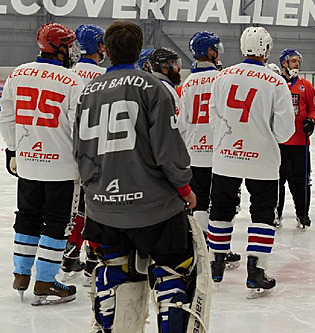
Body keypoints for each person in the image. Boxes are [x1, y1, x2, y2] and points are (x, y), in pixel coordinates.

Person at [75, 21, 210, 333]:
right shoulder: (154, 88)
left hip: (103, 207)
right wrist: (185, 189)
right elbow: (169, 152)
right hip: (156, 208)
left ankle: (108, 320)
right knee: (175, 270)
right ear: (139, 52)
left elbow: (81, 154)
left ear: (105, 51)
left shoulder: (86, 94)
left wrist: (98, 197)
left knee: (112, 268)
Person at [207, 26, 294, 298]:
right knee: (263, 212)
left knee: (220, 209)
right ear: (266, 49)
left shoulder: (222, 76)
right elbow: (284, 130)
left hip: (225, 157)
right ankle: (256, 271)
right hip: (262, 160)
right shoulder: (275, 81)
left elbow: (213, 117)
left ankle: (216, 265)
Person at [0, 22, 83, 305]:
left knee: (27, 216)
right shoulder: (73, 81)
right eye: (69, 44)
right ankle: (46, 281)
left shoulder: (18, 74)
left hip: (28, 162)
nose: (73, 50)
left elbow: (6, 117)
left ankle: (21, 274)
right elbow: (79, 127)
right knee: (57, 222)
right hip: (62, 165)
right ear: (58, 47)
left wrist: (13, 151)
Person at [179, 31, 241, 269]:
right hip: (220, 150)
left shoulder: (188, 83)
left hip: (195, 151)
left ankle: (202, 247)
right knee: (224, 201)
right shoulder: (223, 77)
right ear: (211, 52)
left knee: (200, 200)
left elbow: (182, 122)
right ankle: (219, 249)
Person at [62, 23, 107, 286]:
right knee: (97, 207)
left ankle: (69, 254)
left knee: (76, 207)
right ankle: (93, 261)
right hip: (101, 153)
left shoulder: (68, 75)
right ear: (100, 46)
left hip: (72, 153)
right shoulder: (106, 76)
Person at [276, 48, 315, 230]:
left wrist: (311, 120)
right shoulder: (275, 84)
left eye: (298, 61)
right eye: (293, 61)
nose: (297, 64)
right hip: (278, 144)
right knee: (277, 181)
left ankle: (302, 214)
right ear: (284, 63)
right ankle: (275, 213)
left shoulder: (306, 86)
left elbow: (314, 108)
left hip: (300, 143)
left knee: (301, 181)